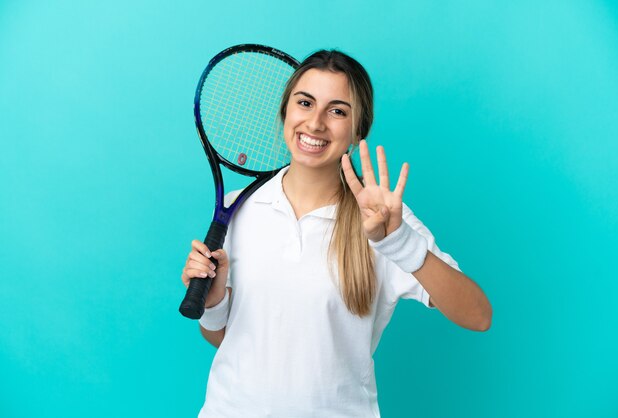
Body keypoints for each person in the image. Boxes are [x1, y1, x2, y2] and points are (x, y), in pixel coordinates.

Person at [181, 49, 492, 418]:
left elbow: (478, 315)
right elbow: (227, 342)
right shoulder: (239, 209)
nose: (315, 123)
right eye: (305, 103)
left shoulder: (382, 219)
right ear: (286, 111)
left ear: (358, 131)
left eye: (337, 110)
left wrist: (402, 244)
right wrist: (213, 306)